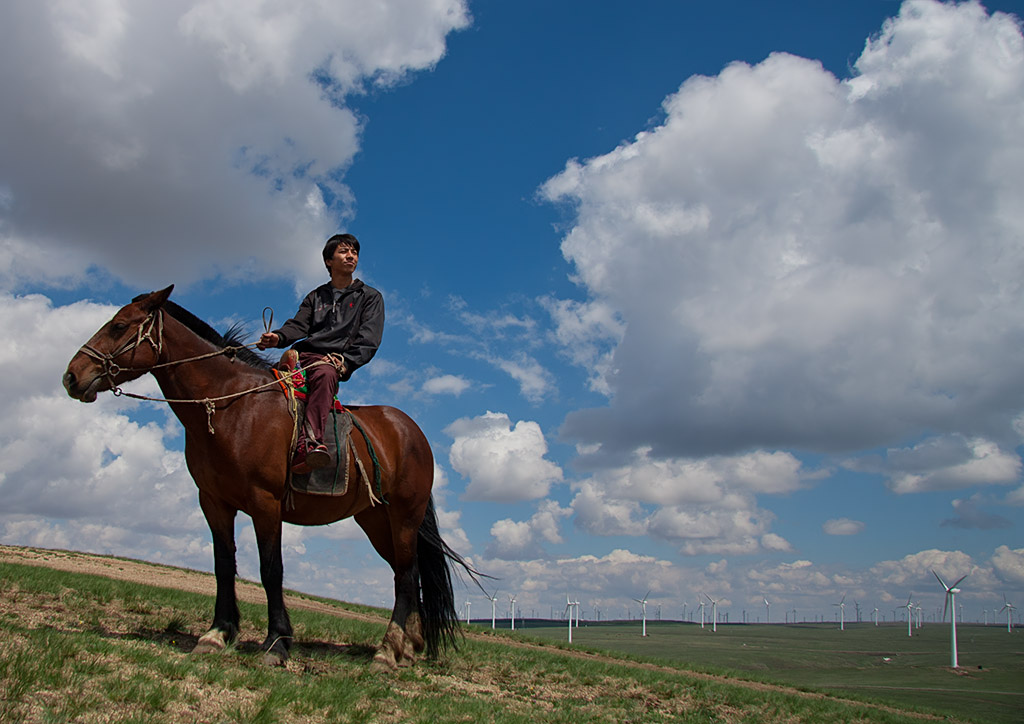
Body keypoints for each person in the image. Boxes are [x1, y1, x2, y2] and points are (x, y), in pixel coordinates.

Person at [258, 233, 384, 471]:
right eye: (344, 251)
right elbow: (298, 326)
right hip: (301, 356)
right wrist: (277, 337)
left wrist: (345, 362)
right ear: (329, 261)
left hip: (331, 361)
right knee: (266, 385)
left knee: (325, 375)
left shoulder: (369, 297)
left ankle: (310, 444)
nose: (351, 256)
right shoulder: (316, 296)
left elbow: (369, 339)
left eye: (354, 252)